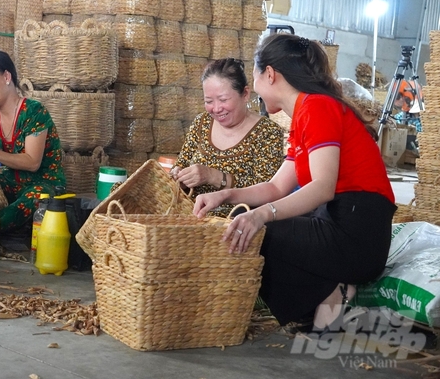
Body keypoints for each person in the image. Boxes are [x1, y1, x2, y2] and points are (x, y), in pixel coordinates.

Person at [194, 34, 396, 332]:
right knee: (242, 217)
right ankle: (319, 298)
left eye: (255, 76)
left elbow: (322, 187)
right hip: (338, 221)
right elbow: (276, 188)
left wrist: (260, 215)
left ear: (270, 75)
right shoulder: (303, 115)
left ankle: (330, 293)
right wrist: (224, 195)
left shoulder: (317, 107)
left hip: (358, 234)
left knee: (253, 227)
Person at [0, 47, 66, 236]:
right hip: (11, 178)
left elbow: (32, 162)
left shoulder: (34, 111)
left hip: (43, 183)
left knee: (33, 199)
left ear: (6, 77)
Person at [170, 58, 285, 217]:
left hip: (238, 224)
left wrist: (212, 176)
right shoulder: (202, 123)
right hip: (189, 220)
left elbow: (267, 190)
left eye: (223, 100)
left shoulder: (267, 132)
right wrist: (179, 177)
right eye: (208, 101)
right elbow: (180, 168)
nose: (216, 109)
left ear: (245, 94)